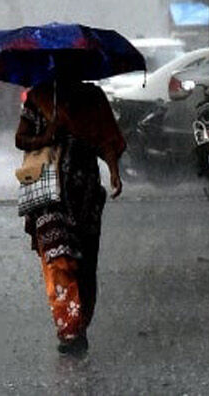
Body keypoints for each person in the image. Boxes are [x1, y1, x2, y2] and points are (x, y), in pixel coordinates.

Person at [15, 74, 126, 355]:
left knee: (86, 264)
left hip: (85, 193)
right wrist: (46, 136)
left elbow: (107, 139)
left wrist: (113, 170)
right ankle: (69, 329)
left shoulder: (93, 99)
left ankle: (81, 324)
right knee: (58, 259)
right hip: (48, 195)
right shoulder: (38, 97)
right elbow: (20, 138)